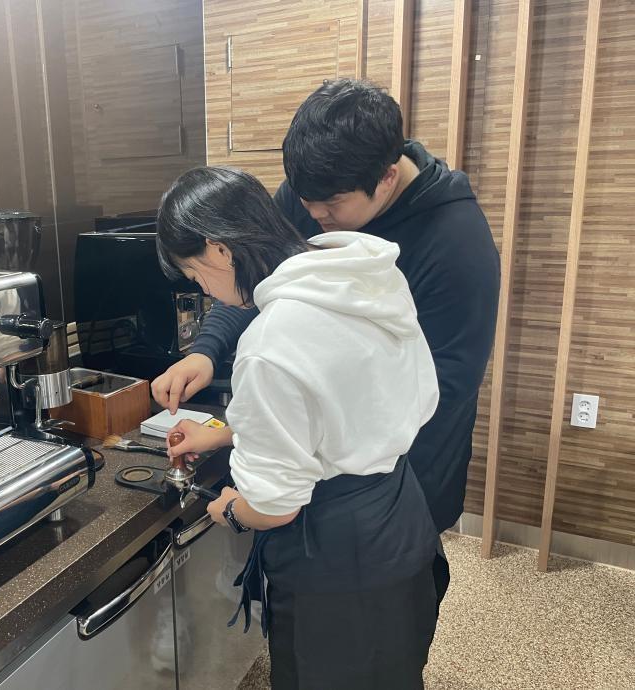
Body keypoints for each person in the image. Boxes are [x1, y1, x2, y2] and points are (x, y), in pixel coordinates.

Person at [151, 79, 500, 603]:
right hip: (335, 472)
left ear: (386, 178)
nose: (313, 217)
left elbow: (441, 389)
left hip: (408, 471)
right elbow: (256, 268)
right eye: (303, 200)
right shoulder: (317, 188)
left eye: (330, 206)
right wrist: (207, 350)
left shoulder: (457, 244)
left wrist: (266, 480)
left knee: (389, 603)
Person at [157, 166, 440, 689]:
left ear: (219, 249)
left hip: (335, 559)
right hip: (401, 520)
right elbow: (339, 405)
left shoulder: (270, 342)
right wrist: (226, 431)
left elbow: (275, 506)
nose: (206, 291)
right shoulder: (359, 276)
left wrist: (230, 509)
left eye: (196, 275)